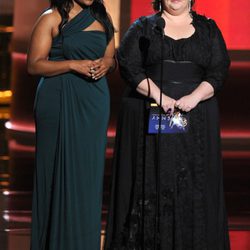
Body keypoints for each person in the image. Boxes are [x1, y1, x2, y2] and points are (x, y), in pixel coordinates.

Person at [105, 0, 230, 249]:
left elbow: (218, 71)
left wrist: (193, 98)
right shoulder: (143, 27)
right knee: (152, 178)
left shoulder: (209, 30)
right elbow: (129, 66)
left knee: (192, 185)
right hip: (151, 117)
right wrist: (160, 97)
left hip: (196, 121)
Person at [27, 0, 115, 249]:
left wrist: (108, 64)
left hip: (94, 102)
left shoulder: (102, 17)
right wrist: (72, 64)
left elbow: (110, 57)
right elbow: (34, 65)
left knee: (87, 175)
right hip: (57, 99)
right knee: (54, 170)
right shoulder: (51, 18)